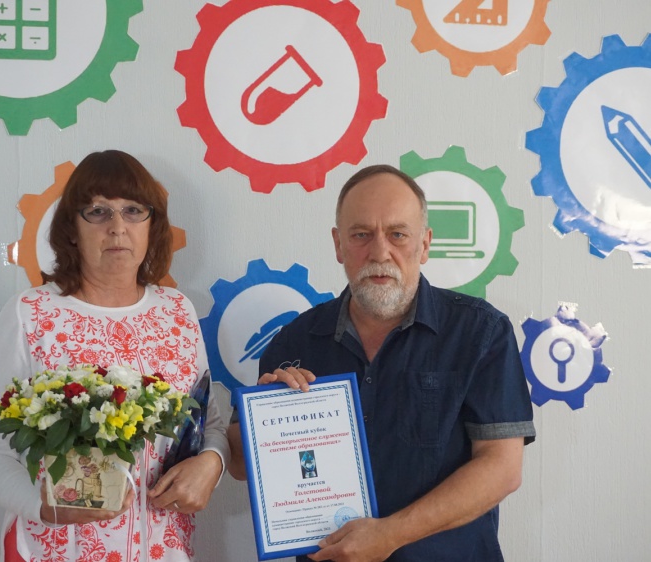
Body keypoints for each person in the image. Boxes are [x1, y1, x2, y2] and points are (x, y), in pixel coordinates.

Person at [227, 164, 535, 562]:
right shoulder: (293, 341)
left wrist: (390, 534)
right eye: (361, 235)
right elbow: (240, 467)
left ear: (424, 244)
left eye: (397, 234)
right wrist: (264, 422)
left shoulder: (481, 332)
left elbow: (502, 468)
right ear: (338, 244)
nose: (379, 252)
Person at [0, 150, 229, 562]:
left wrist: (212, 464)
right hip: (55, 550)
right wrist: (45, 508)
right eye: (98, 211)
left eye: (133, 211)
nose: (117, 227)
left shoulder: (176, 311)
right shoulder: (31, 314)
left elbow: (207, 423)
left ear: (153, 225)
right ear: (72, 228)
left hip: (165, 549)